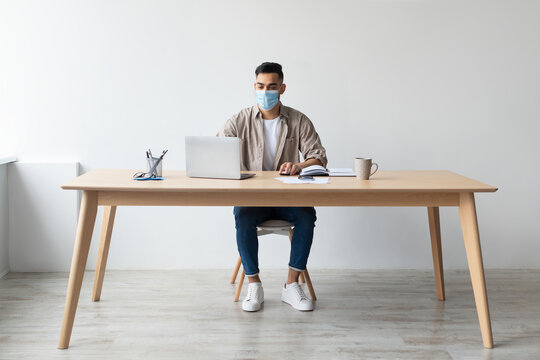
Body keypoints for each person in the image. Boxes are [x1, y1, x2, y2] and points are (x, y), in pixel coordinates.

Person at [218, 62, 328, 312]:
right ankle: (254, 284)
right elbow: (217, 151)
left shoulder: (298, 120)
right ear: (254, 86)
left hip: (287, 197)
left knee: (307, 215)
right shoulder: (239, 120)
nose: (265, 91)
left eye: (271, 86)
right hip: (253, 198)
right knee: (242, 214)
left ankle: (291, 285)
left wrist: (299, 165)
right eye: (260, 86)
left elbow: (319, 157)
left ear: (282, 88)